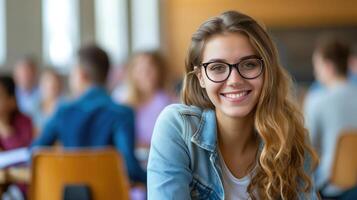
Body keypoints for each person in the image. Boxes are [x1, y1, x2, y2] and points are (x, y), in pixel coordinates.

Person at [148, 11, 318, 200]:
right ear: (201, 77)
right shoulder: (178, 127)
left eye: (249, 64)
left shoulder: (290, 137)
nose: (234, 80)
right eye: (217, 68)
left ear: (267, 71)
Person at [31, 44, 146, 184]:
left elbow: (34, 153)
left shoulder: (63, 111)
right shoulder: (123, 114)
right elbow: (130, 168)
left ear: (81, 74)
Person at [304, 36, 357, 198]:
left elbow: (308, 147)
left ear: (327, 66)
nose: (315, 71)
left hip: (331, 186)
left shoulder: (316, 99)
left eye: (316, 66)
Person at [115, 52, 173, 166]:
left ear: (159, 72)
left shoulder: (168, 101)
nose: (146, 74)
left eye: (150, 68)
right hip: (128, 163)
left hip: (158, 161)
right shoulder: (120, 99)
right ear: (132, 73)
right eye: (140, 69)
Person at [0, 75, 33, 199]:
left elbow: (24, 155)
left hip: (20, 187)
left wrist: (3, 127)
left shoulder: (24, 121)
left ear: (11, 101)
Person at [33, 68, 65, 133]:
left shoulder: (65, 106)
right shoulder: (35, 105)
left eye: (54, 82)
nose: (50, 85)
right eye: (46, 81)